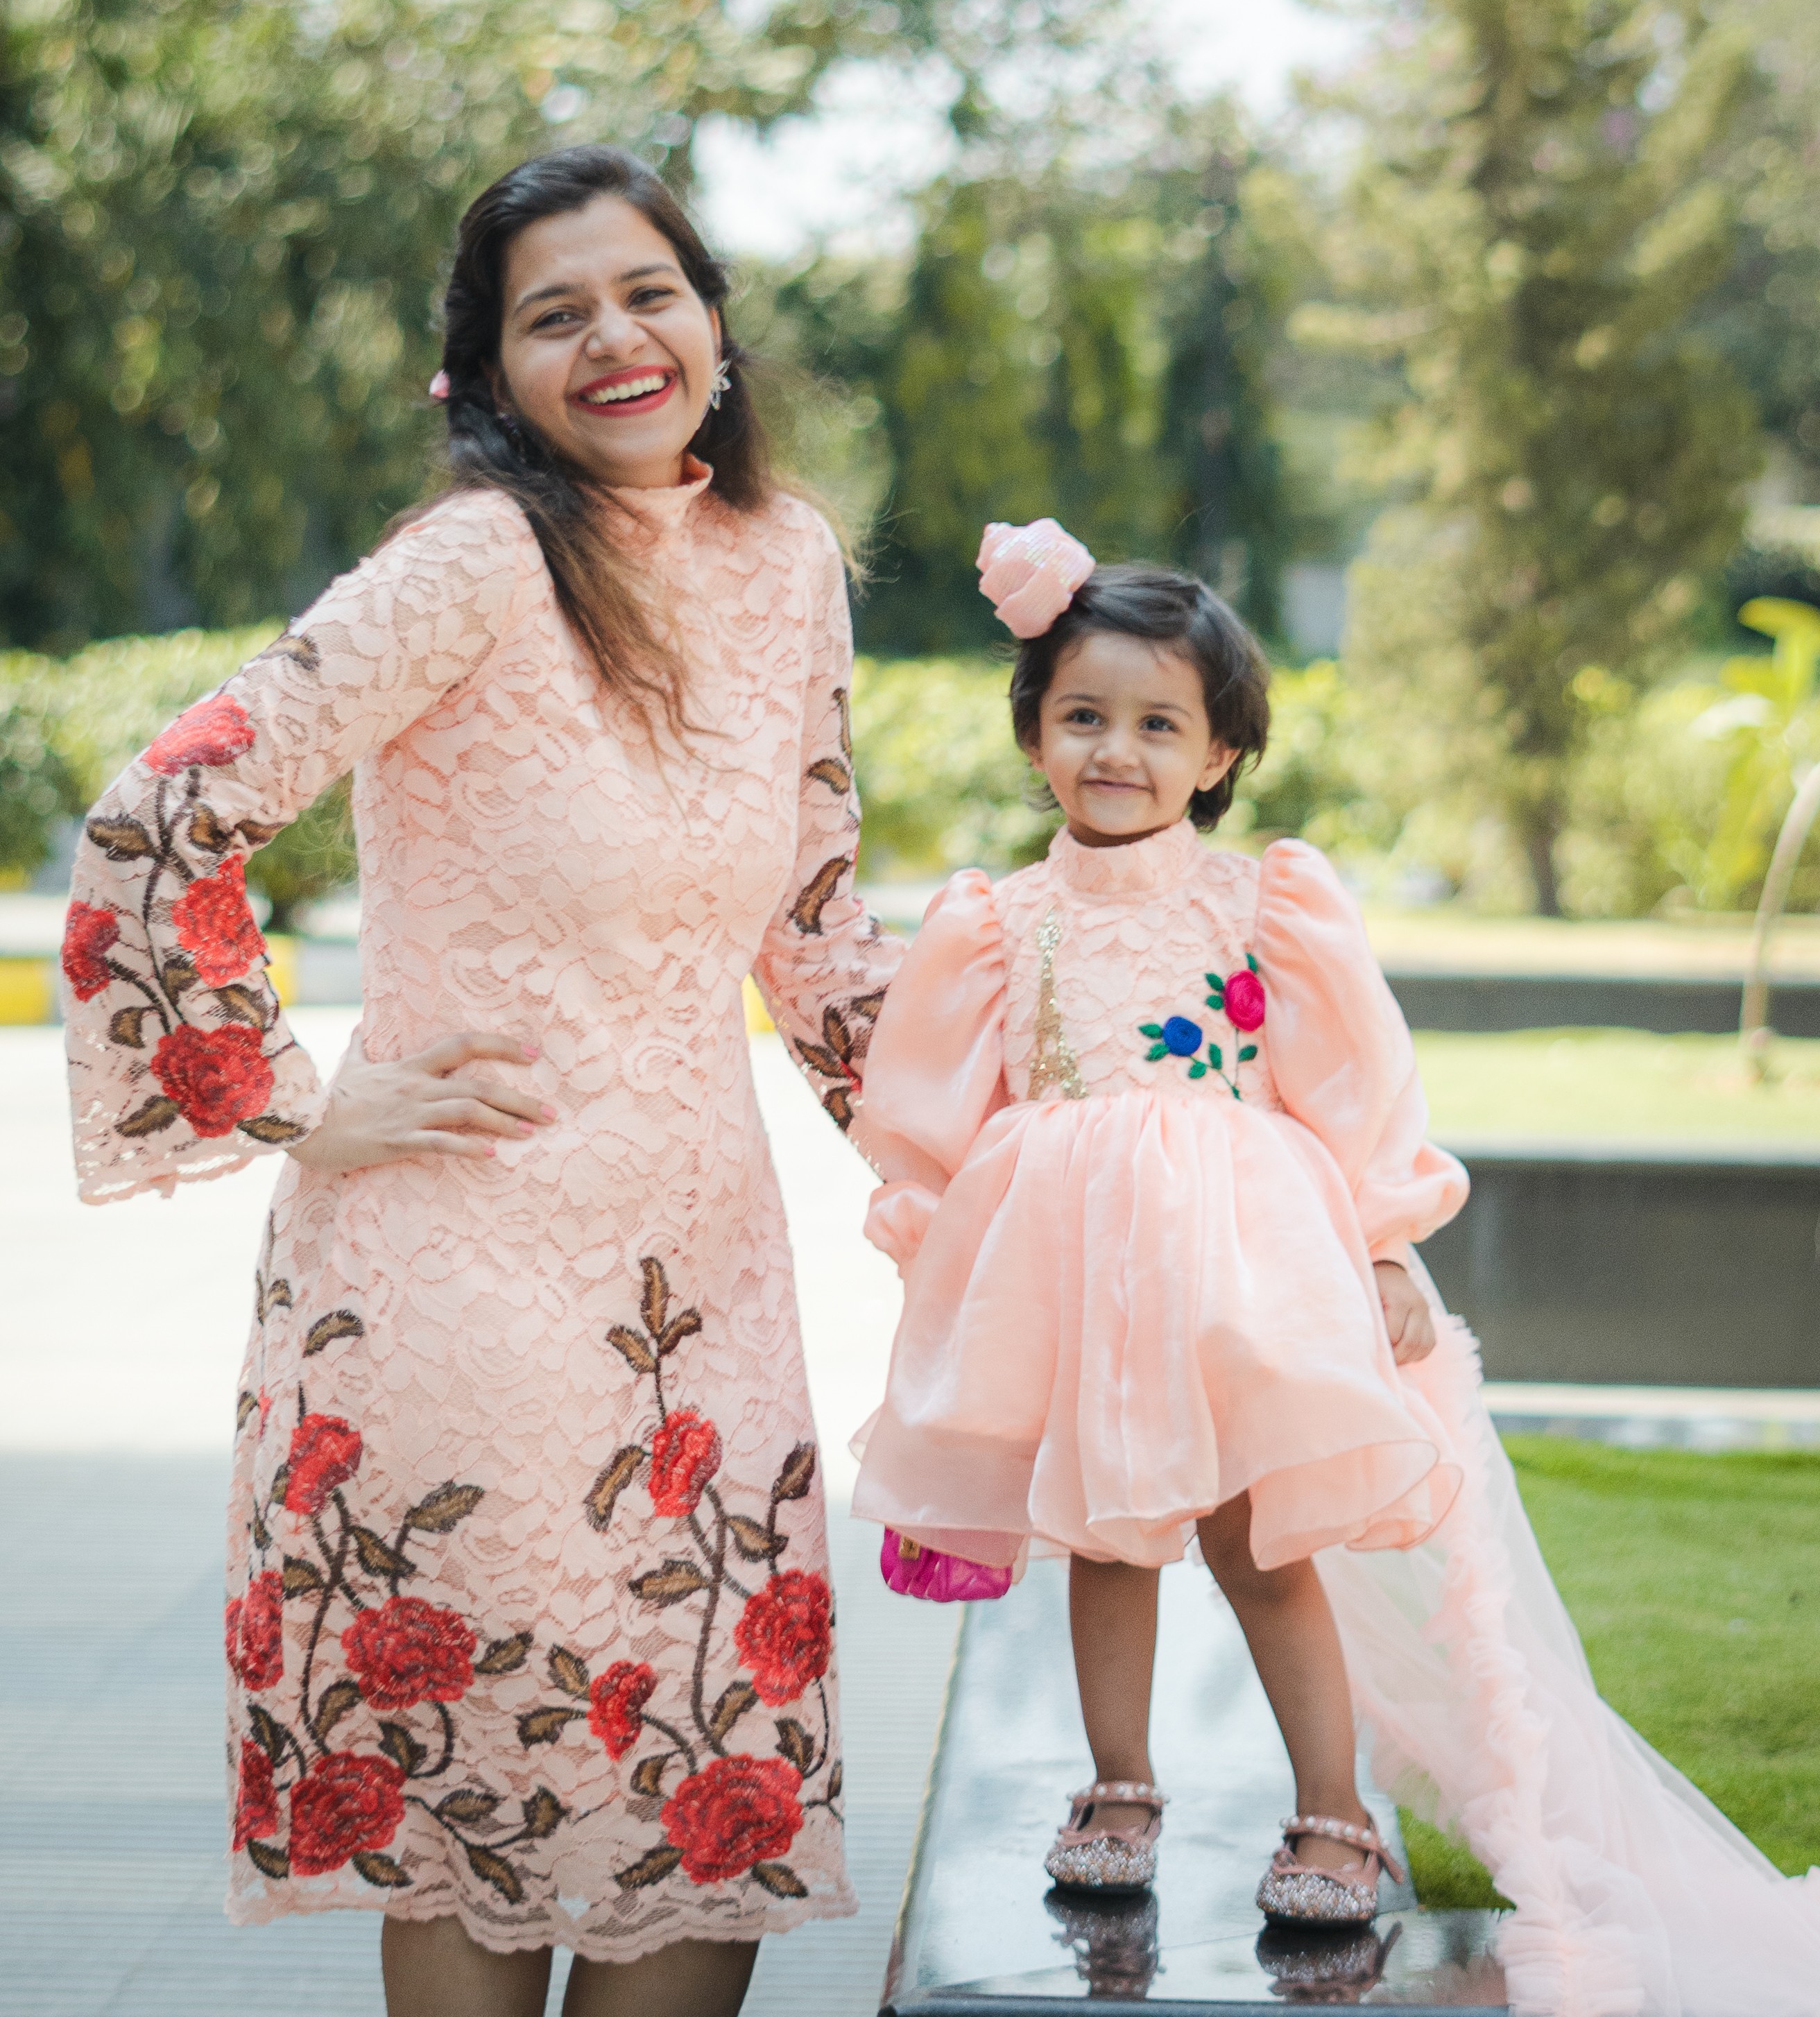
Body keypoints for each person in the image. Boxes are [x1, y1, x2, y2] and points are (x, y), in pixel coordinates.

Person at [61, 144, 901, 2017]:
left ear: (714, 322)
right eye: (554, 314)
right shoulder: (470, 565)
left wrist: (1021, 1155)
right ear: (492, 373)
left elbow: (823, 929)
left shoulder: (788, 569)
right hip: (458, 1291)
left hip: (705, 1289)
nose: (615, 338)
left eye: (649, 290)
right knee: (483, 1814)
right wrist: (282, 1089)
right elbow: (166, 807)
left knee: (711, 1802)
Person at [850, 520, 1820, 2016]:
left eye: (1158, 721)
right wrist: (934, 1260)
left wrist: (1377, 1241)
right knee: (1107, 1540)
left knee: (1259, 1541)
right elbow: (931, 1111)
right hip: (1078, 1283)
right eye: (1084, 715)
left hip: (1245, 1275)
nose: (1117, 747)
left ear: (1221, 753)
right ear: (1036, 729)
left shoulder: (1263, 905)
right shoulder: (998, 921)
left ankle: (1333, 1810)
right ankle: (1119, 1787)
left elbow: (1347, 1080)